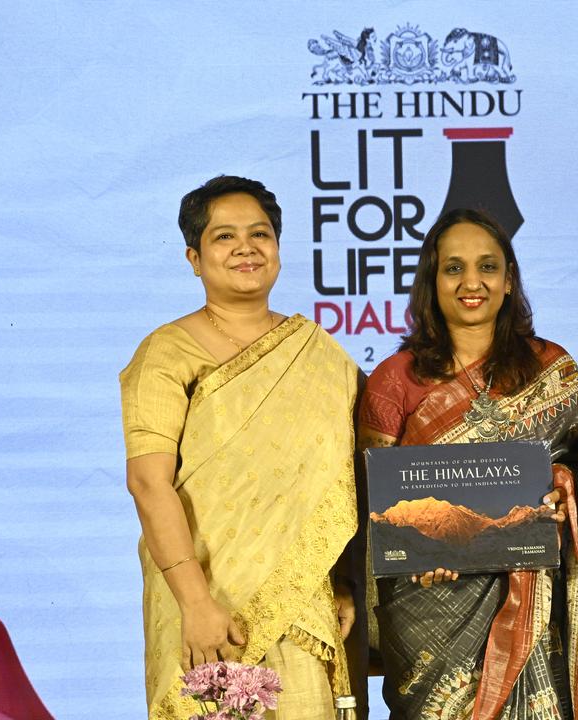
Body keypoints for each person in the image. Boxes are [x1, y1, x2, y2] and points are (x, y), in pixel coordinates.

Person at [120, 176, 360, 719]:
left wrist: (341, 580)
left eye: (261, 233)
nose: (246, 247)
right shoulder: (166, 352)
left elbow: (338, 482)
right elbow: (147, 481)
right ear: (194, 257)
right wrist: (196, 603)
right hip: (205, 599)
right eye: (224, 237)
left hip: (302, 600)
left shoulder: (319, 354)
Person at [358, 208, 578, 719]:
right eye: (453, 268)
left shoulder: (552, 367)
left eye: (487, 267)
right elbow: (372, 507)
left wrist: (568, 494)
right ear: (431, 281)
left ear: (509, 279)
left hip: (541, 599)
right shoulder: (394, 380)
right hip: (430, 602)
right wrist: (417, 550)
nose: (471, 282)